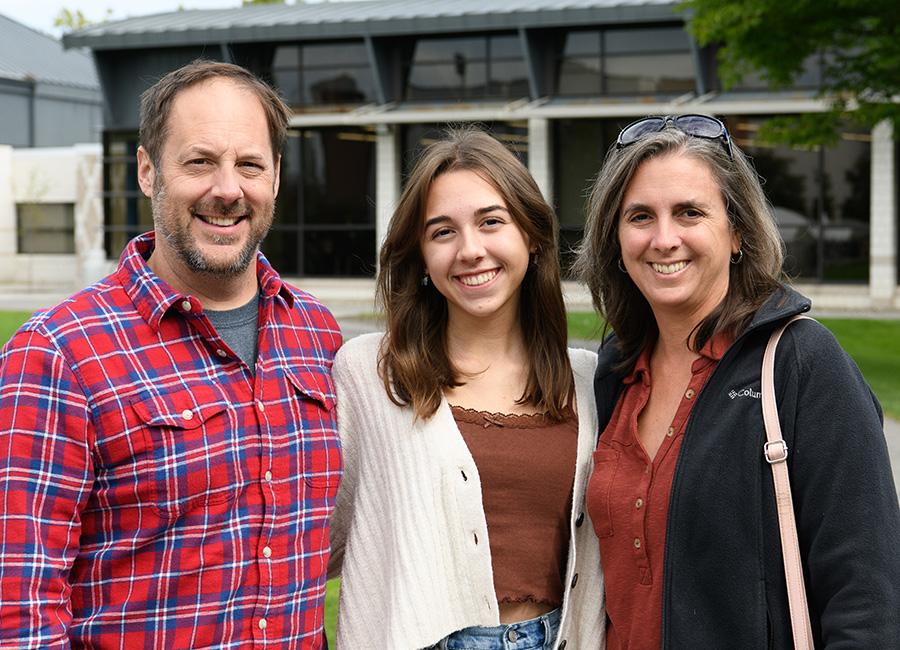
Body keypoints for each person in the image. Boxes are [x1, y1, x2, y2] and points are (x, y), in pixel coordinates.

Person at [0, 60, 342, 648]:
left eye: (250, 165)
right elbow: (19, 604)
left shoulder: (317, 334)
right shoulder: (57, 353)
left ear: (277, 177)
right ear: (148, 170)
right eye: (200, 161)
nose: (228, 189)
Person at [574, 114, 900, 648]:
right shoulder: (612, 375)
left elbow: (868, 601)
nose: (663, 238)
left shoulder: (800, 364)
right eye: (639, 217)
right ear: (615, 240)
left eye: (689, 213)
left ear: (737, 233)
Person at [327, 128, 605, 649]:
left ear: (532, 235)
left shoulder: (590, 381)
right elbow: (314, 537)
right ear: (422, 259)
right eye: (442, 232)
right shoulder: (371, 373)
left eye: (491, 222)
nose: (470, 250)